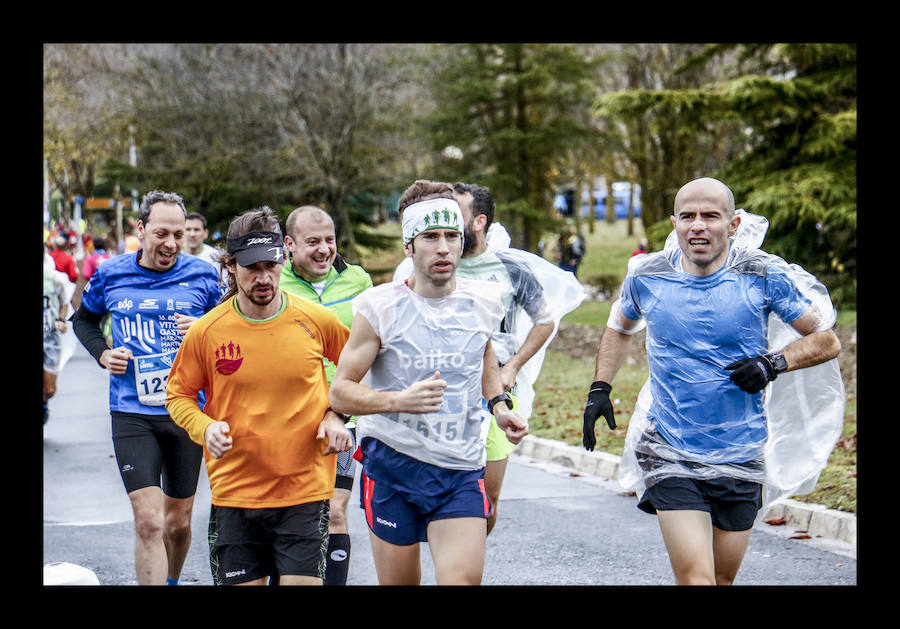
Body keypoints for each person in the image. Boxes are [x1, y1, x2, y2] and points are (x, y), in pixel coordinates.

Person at [582, 177, 842, 586]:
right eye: (687, 216)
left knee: (721, 579)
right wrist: (600, 388)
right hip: (668, 449)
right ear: (674, 223)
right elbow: (619, 328)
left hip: (742, 453)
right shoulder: (647, 275)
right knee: (696, 578)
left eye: (710, 216)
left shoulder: (762, 275)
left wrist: (773, 363)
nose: (697, 226)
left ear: (734, 224)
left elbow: (826, 340)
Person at [329, 180, 528, 586]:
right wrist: (397, 400)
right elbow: (341, 391)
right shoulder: (379, 307)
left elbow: (483, 357)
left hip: (458, 468)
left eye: (451, 236)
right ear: (409, 246)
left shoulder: (484, 301)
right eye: (430, 237)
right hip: (393, 467)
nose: (443, 248)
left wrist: (500, 407)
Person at [165, 206, 352, 586]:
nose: (264, 278)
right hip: (236, 495)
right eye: (252, 268)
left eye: (272, 265)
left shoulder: (317, 320)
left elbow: (357, 373)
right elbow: (178, 395)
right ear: (231, 266)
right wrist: (205, 427)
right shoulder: (208, 331)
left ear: (282, 258)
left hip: (304, 489)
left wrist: (337, 415)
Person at [395, 182, 583, 535]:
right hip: (441, 388)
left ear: (479, 222)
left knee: (487, 497)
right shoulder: (431, 264)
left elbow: (546, 320)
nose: (446, 220)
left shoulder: (510, 269)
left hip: (495, 390)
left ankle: (465, 553)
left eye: (457, 214)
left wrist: (513, 366)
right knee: (433, 492)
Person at [72, 190, 224, 586]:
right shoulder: (110, 273)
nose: (170, 243)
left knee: (177, 524)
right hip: (131, 411)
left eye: (177, 234)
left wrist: (205, 329)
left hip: (187, 411)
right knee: (149, 523)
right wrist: (104, 354)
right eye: (161, 233)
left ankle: (172, 579)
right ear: (140, 230)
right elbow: (83, 321)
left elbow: (233, 330)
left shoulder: (204, 275)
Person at [279, 205, 373, 586]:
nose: (323, 250)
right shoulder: (274, 284)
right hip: (287, 418)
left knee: (335, 511)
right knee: (286, 513)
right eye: (312, 242)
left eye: (329, 240)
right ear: (289, 244)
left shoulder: (359, 281)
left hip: (342, 417)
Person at [43, 243, 76, 425]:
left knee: (49, 389)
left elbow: (65, 302)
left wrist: (62, 320)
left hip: (50, 338)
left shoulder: (55, 278)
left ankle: (44, 403)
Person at [183, 212, 227, 284]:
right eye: (188, 229)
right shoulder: (173, 255)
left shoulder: (215, 257)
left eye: (196, 230)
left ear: (205, 233)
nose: (192, 234)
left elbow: (223, 286)